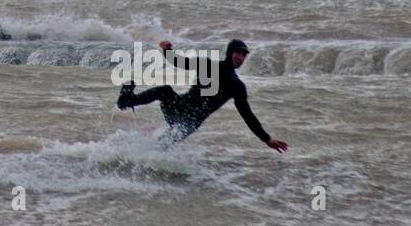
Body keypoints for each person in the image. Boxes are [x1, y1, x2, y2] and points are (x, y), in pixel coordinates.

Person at [117, 38, 287, 152]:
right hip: (179, 108)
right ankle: (126, 101)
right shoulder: (207, 64)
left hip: (190, 122)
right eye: (238, 52)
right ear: (230, 52)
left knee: (156, 151)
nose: (241, 58)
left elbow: (247, 114)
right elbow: (179, 62)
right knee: (165, 90)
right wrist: (167, 50)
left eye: (244, 55)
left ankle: (131, 154)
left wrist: (267, 139)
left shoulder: (237, 86)